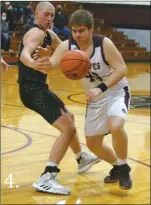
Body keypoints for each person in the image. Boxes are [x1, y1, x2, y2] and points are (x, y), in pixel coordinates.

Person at [35, 9, 132, 190]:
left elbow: (122, 69)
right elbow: (52, 65)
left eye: (81, 30)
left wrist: (101, 87)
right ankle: (118, 166)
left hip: (115, 92)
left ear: (91, 29)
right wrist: (43, 59)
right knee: (93, 144)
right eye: (74, 31)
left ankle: (125, 166)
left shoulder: (104, 44)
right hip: (95, 99)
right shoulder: (67, 46)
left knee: (116, 125)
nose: (77, 35)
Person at [17, 3, 100, 195]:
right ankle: (48, 176)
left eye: (52, 15)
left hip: (38, 88)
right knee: (68, 128)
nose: (50, 19)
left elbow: (67, 46)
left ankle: (81, 158)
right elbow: (23, 54)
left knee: (69, 117)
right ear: (36, 14)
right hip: (31, 89)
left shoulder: (48, 33)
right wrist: (33, 63)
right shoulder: (36, 33)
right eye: (46, 14)